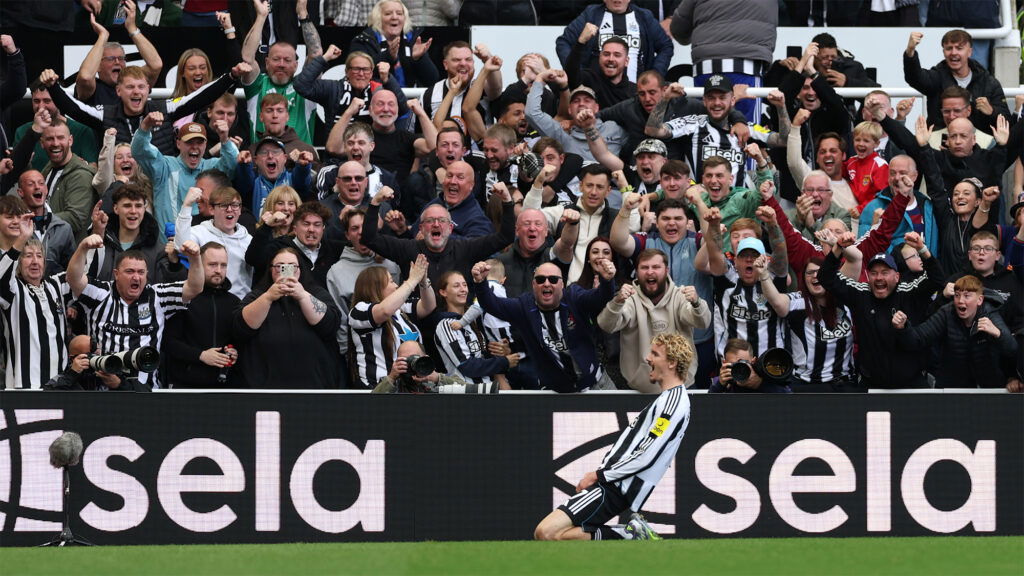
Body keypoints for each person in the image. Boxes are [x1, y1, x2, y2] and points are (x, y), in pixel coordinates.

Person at [534, 333, 692, 541]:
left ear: (672, 363)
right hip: (614, 484)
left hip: (614, 486)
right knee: (550, 535)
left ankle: (629, 534)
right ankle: (629, 534)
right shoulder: (668, 400)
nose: (648, 358)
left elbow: (646, 454)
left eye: (655, 354)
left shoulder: (674, 403)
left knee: (545, 532)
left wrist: (600, 475)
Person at [67, 233, 205, 389]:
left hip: (146, 392)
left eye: (141, 272)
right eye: (130, 271)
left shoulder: (157, 296)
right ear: (116, 274)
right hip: (102, 390)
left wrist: (195, 258)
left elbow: (195, 288)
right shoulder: (101, 293)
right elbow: (73, 279)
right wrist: (82, 248)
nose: (136, 277)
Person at [817, 234, 943, 389]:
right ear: (868, 276)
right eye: (874, 273)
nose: (878, 278)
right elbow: (825, 277)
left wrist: (922, 249)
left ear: (897, 277)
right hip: (871, 384)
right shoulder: (861, 293)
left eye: (884, 272)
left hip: (911, 383)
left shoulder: (908, 291)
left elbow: (937, 278)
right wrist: (838, 247)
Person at [472, 258, 617, 392]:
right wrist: (480, 283)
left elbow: (599, 298)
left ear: (562, 284)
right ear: (533, 284)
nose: (547, 283)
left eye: (553, 279)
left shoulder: (574, 297)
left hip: (597, 384)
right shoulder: (524, 307)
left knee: (623, 421)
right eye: (540, 280)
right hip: (556, 393)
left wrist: (607, 280)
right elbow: (492, 304)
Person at [43, 62, 245, 157]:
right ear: (119, 91)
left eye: (141, 87)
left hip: (160, 183)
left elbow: (201, 97)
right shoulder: (105, 114)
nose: (136, 92)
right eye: (130, 87)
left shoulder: (165, 108)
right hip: (122, 188)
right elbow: (73, 108)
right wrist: (53, 86)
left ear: (148, 90)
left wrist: (231, 77)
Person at [361, 184, 515, 292]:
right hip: (419, 326)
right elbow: (369, 238)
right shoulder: (408, 249)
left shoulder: (466, 248)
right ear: (420, 228)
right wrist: (375, 203)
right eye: (429, 221)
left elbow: (505, 237)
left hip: (457, 325)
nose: (436, 224)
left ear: (450, 228)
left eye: (442, 221)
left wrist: (507, 201)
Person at [598, 248, 711, 391]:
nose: (650, 272)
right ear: (637, 272)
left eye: (656, 267)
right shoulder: (629, 299)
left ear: (666, 270)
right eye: (644, 267)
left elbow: (703, 322)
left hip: (683, 386)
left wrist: (697, 303)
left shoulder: (680, 296)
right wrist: (617, 302)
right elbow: (606, 325)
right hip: (639, 390)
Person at [644, 78, 789, 187]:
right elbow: (653, 130)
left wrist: (781, 108)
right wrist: (665, 98)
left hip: (738, 207)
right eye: (711, 98)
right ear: (704, 101)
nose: (717, 103)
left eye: (722, 97)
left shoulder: (746, 128)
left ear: (732, 100)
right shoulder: (693, 124)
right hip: (700, 204)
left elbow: (784, 140)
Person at [235, 246, 341, 388]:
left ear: (300, 269)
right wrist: (268, 297)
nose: (286, 271)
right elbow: (241, 326)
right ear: (271, 269)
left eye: (292, 267)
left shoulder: (316, 292)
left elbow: (330, 324)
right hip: (265, 384)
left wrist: (302, 295)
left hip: (313, 384)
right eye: (279, 267)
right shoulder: (258, 294)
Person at [893, 275, 1016, 388]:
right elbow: (918, 338)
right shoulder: (947, 312)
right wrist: (903, 328)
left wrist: (997, 333)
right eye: (957, 295)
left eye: (967, 296)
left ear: (979, 300)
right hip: (953, 387)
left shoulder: (989, 313)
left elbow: (1012, 349)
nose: (960, 301)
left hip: (988, 387)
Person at [325, 208, 401, 387]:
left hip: (399, 353)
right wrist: (347, 356)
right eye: (354, 229)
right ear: (347, 235)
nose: (361, 233)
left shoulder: (391, 264)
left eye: (365, 227)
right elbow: (341, 321)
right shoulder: (336, 272)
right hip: (363, 360)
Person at [525, 164, 639, 283]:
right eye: (589, 185)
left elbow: (634, 225)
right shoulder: (562, 212)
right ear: (580, 186)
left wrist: (624, 187)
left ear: (608, 191)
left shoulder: (616, 217)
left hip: (604, 290)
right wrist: (539, 181)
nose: (593, 192)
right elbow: (528, 217)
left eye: (600, 187)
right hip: (566, 291)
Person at [670, 0, 777, 122]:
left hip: (706, 66)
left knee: (705, 132)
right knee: (748, 133)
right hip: (746, 68)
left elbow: (678, 28)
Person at [132, 114, 239, 234]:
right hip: (168, 245)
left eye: (199, 142)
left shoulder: (213, 167)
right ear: (178, 144)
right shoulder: (165, 166)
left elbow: (234, 164)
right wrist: (145, 126)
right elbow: (139, 151)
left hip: (207, 245)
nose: (194, 147)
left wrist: (224, 139)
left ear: (205, 145)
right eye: (189, 142)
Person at [0, 220, 74, 389]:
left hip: (59, 386)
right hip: (24, 387)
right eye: (28, 256)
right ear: (18, 262)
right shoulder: (13, 289)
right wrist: (21, 239)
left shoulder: (56, 285)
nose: (35, 261)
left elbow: (80, 274)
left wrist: (95, 237)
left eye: (39, 256)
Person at [161, 242, 241, 388]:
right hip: (186, 384)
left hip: (224, 385)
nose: (218, 270)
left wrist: (235, 351)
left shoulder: (234, 302)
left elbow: (238, 340)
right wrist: (201, 355)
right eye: (212, 264)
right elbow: (169, 342)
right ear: (198, 265)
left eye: (223, 265)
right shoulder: (183, 298)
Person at [349, 254, 435, 388]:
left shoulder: (400, 309)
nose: (396, 285)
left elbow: (428, 306)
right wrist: (412, 280)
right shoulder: (359, 310)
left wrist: (423, 280)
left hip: (409, 388)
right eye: (391, 281)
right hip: (378, 389)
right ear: (375, 287)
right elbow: (384, 311)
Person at [239, 0, 317, 145]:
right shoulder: (257, 84)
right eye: (276, 59)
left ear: (296, 65)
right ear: (267, 62)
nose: (281, 64)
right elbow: (247, 58)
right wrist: (261, 17)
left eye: (287, 60)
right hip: (262, 159)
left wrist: (303, 14)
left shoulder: (305, 86)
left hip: (300, 162)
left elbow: (316, 54)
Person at [904, 29, 1009, 136]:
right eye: (949, 48)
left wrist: (992, 111)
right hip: (941, 146)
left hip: (980, 147)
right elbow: (914, 78)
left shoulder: (988, 82)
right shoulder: (937, 76)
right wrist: (910, 51)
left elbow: (1007, 121)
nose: (953, 53)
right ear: (943, 52)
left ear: (970, 52)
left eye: (959, 48)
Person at [12, 116, 97, 240]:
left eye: (60, 138)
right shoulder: (51, 166)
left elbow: (75, 219)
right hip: (46, 247)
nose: (55, 143)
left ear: (70, 140)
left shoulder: (81, 175)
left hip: (67, 254)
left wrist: (38, 219)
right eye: (50, 139)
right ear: (42, 143)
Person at [785, 255, 859, 392]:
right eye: (810, 272)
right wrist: (764, 275)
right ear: (803, 279)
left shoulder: (846, 301)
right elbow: (776, 301)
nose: (815, 276)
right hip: (807, 387)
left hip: (844, 386)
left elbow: (856, 258)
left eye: (819, 272)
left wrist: (837, 244)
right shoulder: (797, 304)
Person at [294, 46, 408, 134]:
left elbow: (402, 108)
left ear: (372, 73)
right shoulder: (333, 89)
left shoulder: (377, 92)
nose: (361, 74)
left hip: (370, 155)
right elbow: (301, 85)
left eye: (366, 69)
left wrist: (387, 79)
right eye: (356, 69)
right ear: (347, 72)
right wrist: (325, 58)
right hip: (337, 156)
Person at [433, 271, 517, 390]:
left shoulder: (474, 322)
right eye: (457, 286)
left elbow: (481, 357)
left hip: (489, 390)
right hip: (465, 394)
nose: (463, 289)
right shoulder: (446, 325)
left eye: (465, 285)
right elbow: (466, 365)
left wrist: (501, 351)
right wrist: (504, 362)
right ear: (443, 292)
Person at [556, 0, 674, 83]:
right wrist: (578, 73)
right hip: (596, 94)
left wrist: (655, 75)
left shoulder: (644, 16)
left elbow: (666, 46)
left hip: (636, 94)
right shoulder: (591, 14)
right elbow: (563, 42)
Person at [86, 184, 180, 283]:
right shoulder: (100, 241)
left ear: (145, 208)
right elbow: (83, 279)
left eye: (138, 206)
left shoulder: (158, 251)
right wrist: (96, 234)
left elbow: (170, 290)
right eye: (127, 206)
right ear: (116, 208)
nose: (133, 211)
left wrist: (174, 263)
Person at [173, 187, 253, 299]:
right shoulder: (200, 232)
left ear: (240, 210)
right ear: (211, 209)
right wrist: (187, 205)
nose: (230, 209)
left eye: (235, 205)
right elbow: (179, 245)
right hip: (205, 301)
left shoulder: (248, 239)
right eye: (223, 205)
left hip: (239, 305)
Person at [74, 7, 163, 106]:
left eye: (121, 58)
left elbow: (156, 65)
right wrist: (103, 36)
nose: (117, 62)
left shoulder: (134, 83)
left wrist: (132, 29)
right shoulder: (93, 89)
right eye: (111, 59)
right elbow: (85, 77)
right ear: (97, 66)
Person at [349, 0, 440, 89]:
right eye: (388, 14)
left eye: (399, 13)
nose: (394, 17)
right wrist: (388, 56)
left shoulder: (413, 40)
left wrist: (419, 59)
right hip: (378, 98)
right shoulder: (364, 40)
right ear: (378, 18)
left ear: (405, 18)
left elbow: (432, 80)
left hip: (413, 99)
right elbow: (359, 74)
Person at [13, 81, 99, 171]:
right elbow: (14, 169)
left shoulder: (82, 130)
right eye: (36, 101)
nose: (41, 107)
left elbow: (92, 168)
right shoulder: (22, 131)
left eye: (47, 101)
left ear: (59, 100)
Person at [234, 135, 315, 217]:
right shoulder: (254, 183)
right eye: (264, 152)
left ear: (285, 158)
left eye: (276, 152)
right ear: (256, 160)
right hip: (261, 229)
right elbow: (245, 181)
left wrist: (303, 167)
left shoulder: (293, 179)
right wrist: (244, 165)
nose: (270, 156)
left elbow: (302, 180)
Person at [15, 170, 76, 275]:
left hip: (54, 289)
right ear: (21, 192)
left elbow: (72, 270)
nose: (37, 187)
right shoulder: (12, 227)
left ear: (46, 189)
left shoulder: (63, 228)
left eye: (41, 183)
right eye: (31, 184)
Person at [708, 338, 792, 393]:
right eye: (734, 364)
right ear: (724, 363)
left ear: (753, 361)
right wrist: (719, 385)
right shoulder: (721, 381)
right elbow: (706, 408)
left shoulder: (762, 377)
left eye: (744, 363)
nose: (740, 368)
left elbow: (789, 397)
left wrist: (759, 384)